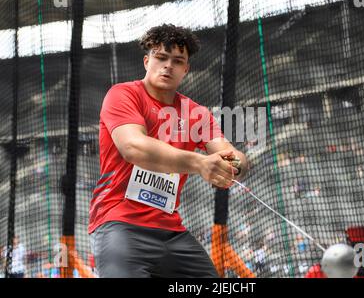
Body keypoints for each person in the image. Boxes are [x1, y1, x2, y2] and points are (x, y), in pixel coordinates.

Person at [88, 24, 248, 278]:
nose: (168, 66)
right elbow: (133, 147)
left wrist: (233, 167)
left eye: (177, 61)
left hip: (172, 232)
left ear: (186, 69)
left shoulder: (196, 113)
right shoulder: (122, 95)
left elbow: (233, 155)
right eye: (161, 57)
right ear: (146, 61)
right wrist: (199, 163)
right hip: (119, 224)